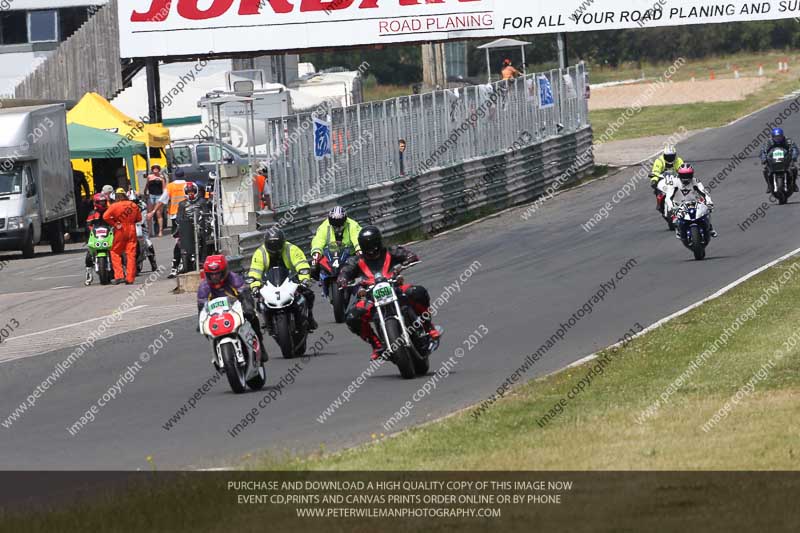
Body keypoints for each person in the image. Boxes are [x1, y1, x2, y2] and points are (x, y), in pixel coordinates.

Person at [338, 226, 440, 361]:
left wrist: (409, 258)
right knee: (352, 317)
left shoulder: (390, 252)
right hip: (371, 297)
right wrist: (343, 279)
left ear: (379, 242)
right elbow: (345, 271)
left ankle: (428, 326)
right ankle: (376, 344)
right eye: (367, 245)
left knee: (418, 292)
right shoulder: (355, 261)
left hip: (395, 288)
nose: (371, 248)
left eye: (373, 244)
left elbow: (407, 254)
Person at [197, 255, 266, 362]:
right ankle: (215, 351)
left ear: (224, 271)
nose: (215, 277)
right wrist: (200, 322)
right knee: (206, 328)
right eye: (212, 275)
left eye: (218, 273)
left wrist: (248, 307)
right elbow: (202, 308)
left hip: (234, 308)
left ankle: (260, 344)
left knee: (253, 317)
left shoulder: (234, 278)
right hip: (216, 314)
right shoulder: (204, 287)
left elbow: (245, 294)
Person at [248, 227, 317, 331]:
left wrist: (304, 280)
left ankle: (309, 316)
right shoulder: (260, 253)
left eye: (277, 244)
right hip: (269, 283)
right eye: (271, 244)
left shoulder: (292, 249)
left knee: (308, 293)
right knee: (259, 300)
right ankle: (267, 322)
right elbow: (255, 271)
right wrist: (254, 286)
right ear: (266, 244)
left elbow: (302, 265)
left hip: (290, 280)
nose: (274, 247)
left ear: (283, 242)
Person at [665, 164, 718, 239]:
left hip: (693, 202)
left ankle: (709, 227)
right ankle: (678, 228)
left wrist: (709, 202)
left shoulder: (695, 181)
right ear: (679, 175)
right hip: (678, 204)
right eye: (683, 176)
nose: (686, 178)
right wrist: (671, 207)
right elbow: (668, 197)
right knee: (673, 216)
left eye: (688, 175)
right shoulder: (674, 182)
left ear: (692, 174)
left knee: (706, 210)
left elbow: (705, 192)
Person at [310, 206, 362, 280]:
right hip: (331, 255)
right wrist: (316, 252)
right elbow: (319, 239)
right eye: (334, 225)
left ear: (345, 220)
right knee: (314, 267)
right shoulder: (324, 226)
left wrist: (359, 249)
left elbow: (357, 237)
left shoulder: (352, 225)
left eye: (340, 224)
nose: (337, 228)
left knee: (358, 263)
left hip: (350, 255)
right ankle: (322, 281)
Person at [103, 187, 142, 285]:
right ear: (125, 195)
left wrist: (115, 224)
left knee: (115, 251)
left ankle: (119, 276)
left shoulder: (114, 206)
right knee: (131, 254)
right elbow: (139, 218)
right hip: (131, 230)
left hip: (120, 230)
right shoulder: (133, 205)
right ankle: (130, 278)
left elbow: (105, 217)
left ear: (116, 196)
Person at [175, 181, 212, 273]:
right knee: (178, 244)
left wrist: (205, 221)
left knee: (205, 240)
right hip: (187, 227)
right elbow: (179, 217)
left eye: (192, 191)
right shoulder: (182, 204)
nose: (190, 193)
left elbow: (207, 214)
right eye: (188, 192)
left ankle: (203, 260)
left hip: (200, 225)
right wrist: (180, 223)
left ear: (196, 191)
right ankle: (175, 265)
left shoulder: (202, 201)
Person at [760, 127, 799, 193]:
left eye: (780, 137)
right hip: (773, 160)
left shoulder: (788, 141)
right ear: (772, 137)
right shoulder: (768, 142)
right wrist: (764, 159)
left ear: (782, 136)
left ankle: (794, 184)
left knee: (794, 168)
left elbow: (795, 149)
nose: (778, 139)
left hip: (786, 159)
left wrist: (794, 157)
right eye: (776, 137)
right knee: (765, 170)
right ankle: (769, 185)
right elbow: (762, 151)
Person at [650, 145, 685, 212]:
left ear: (675, 155)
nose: (670, 158)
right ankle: (660, 203)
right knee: (656, 187)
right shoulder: (659, 161)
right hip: (663, 180)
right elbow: (655, 171)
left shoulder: (678, 160)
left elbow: (683, 170)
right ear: (664, 155)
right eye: (668, 156)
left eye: (672, 156)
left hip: (675, 179)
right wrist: (654, 180)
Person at [84, 193, 109, 284]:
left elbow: (115, 221)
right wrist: (91, 231)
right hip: (96, 236)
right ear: (96, 203)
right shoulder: (93, 213)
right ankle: (88, 274)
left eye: (104, 202)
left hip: (108, 235)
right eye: (100, 202)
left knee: (119, 250)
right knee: (88, 255)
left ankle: (124, 268)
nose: (102, 204)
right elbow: (88, 225)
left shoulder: (109, 211)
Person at [145, 165, 167, 236]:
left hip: (159, 196)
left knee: (159, 214)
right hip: (151, 195)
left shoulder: (161, 177)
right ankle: (149, 231)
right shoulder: (149, 176)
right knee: (149, 214)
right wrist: (145, 191)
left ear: (159, 169)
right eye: (154, 168)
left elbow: (164, 188)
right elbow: (147, 185)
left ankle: (160, 231)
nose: (155, 169)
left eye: (157, 168)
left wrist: (164, 197)